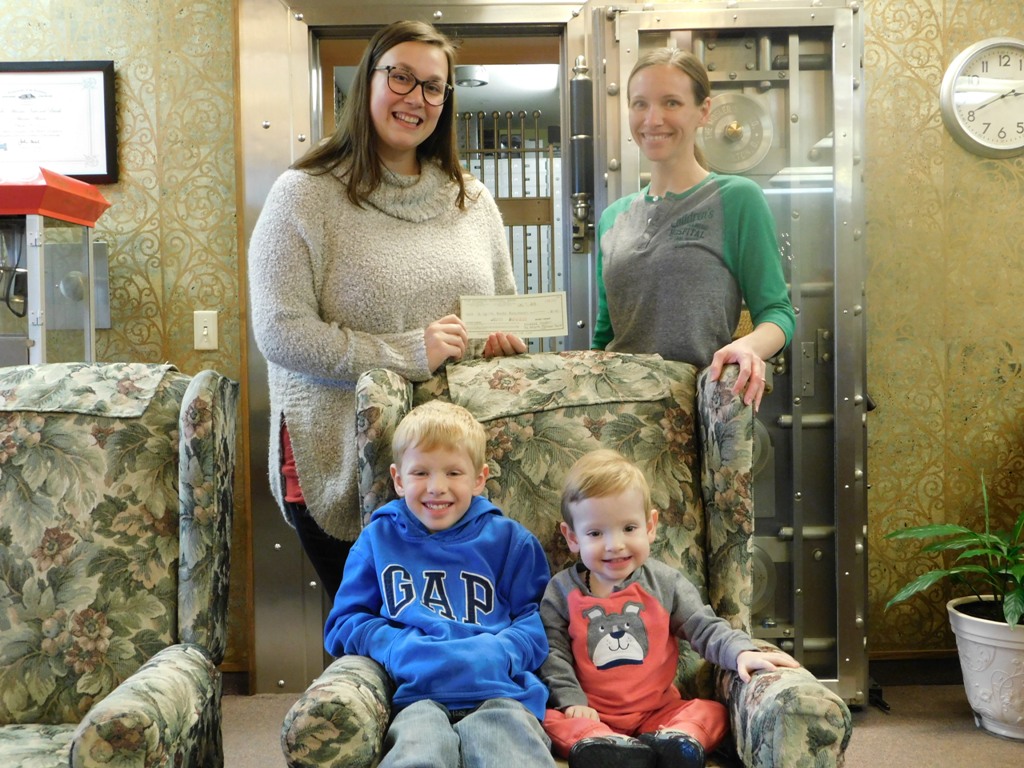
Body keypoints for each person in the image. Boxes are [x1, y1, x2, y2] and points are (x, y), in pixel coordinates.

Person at [248, 20, 526, 600]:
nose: (416, 97)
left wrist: (499, 344)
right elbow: (281, 332)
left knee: (455, 624)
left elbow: (496, 311)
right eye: (401, 77)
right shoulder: (304, 193)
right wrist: (406, 352)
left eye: (433, 86)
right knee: (374, 630)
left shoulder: (472, 199)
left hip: (451, 466)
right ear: (367, 82)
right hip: (339, 456)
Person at [323, 400, 556, 768]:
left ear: (478, 478)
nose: (436, 487)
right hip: (415, 698)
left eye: (453, 473)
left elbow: (537, 620)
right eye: (420, 473)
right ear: (399, 479)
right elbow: (344, 622)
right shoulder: (376, 541)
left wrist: (501, 652)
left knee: (511, 755)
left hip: (501, 694)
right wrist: (395, 646)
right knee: (419, 754)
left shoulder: (512, 542)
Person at [539, 449, 800, 768]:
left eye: (629, 528)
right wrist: (572, 702)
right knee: (547, 719)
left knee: (713, 712)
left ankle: (676, 743)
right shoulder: (561, 592)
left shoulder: (665, 584)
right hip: (592, 715)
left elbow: (704, 627)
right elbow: (553, 654)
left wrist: (741, 652)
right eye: (595, 533)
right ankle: (607, 749)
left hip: (659, 714)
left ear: (650, 526)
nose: (615, 545)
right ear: (572, 537)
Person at [591, 47, 795, 413]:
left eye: (671, 102)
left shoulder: (737, 199)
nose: (652, 119)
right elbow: (604, 336)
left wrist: (748, 346)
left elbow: (778, 313)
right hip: (617, 415)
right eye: (640, 104)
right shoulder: (612, 218)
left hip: (694, 412)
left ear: (703, 111)